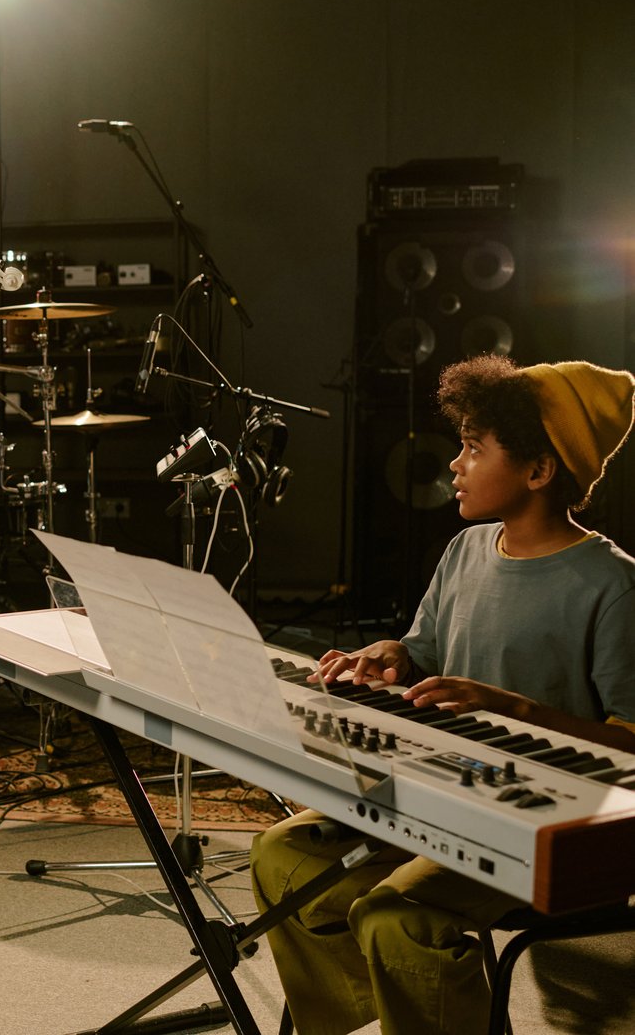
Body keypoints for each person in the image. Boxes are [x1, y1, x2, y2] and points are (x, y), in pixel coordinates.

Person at [250, 354, 635, 1034]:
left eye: (473, 448)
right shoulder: (465, 551)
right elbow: (426, 650)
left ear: (539, 471)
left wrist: (517, 711)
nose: (454, 463)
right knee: (281, 855)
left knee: (396, 915)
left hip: (538, 828)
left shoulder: (612, 585)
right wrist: (393, 654)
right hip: (436, 795)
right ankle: (364, 1014)